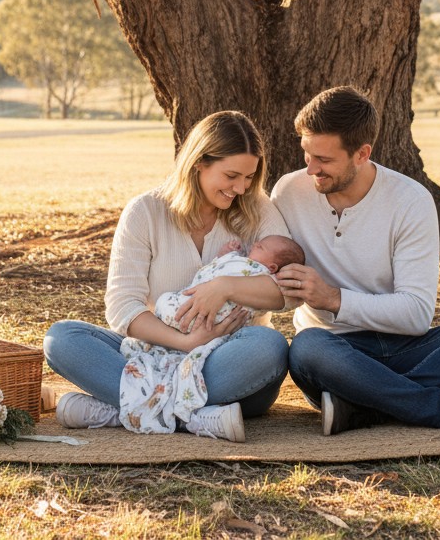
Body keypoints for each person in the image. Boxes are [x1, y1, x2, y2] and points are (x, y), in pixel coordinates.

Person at [271, 86, 440, 436]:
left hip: (407, 348)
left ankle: (364, 409)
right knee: (306, 347)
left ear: (362, 154)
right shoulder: (288, 194)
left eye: (325, 160)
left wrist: (333, 298)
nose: (311, 169)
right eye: (307, 154)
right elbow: (273, 283)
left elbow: (415, 314)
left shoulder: (409, 201)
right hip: (335, 357)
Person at [44, 111, 291, 442]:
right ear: (199, 163)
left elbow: (288, 292)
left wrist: (224, 286)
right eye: (232, 175)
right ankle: (195, 417)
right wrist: (186, 342)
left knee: (270, 347)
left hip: (228, 360)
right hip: (153, 355)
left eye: (249, 177)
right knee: (62, 339)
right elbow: (122, 307)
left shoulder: (256, 209)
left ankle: (126, 411)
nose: (241, 188)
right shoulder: (145, 212)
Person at [150, 234, 305, 332]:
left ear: (272, 267)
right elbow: (219, 268)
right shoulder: (241, 260)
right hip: (194, 306)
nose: (254, 245)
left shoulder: (259, 272)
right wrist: (225, 254)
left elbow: (287, 294)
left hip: (219, 319)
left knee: (166, 301)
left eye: (260, 247)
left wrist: (224, 286)